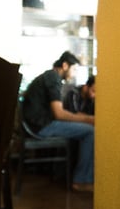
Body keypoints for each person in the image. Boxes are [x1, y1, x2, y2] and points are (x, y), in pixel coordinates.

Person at [22, 51, 95, 192]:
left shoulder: (49, 76)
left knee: (86, 127)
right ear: (65, 65)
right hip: (41, 126)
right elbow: (59, 114)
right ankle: (81, 181)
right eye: (74, 69)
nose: (73, 74)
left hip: (37, 124)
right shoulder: (53, 77)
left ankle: (81, 177)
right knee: (91, 131)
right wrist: (89, 119)